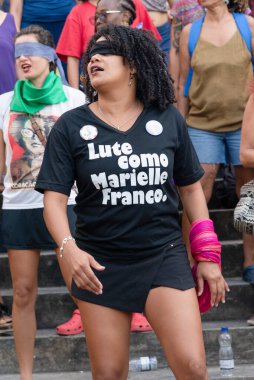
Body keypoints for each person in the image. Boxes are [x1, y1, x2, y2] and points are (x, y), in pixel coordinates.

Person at [36, 24, 228, 379]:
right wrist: (69, 248)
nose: (94, 56)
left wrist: (207, 254)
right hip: (101, 263)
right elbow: (54, 201)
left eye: (106, 51)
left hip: (163, 254)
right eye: (92, 52)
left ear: (134, 65)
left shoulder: (167, 118)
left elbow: (190, 190)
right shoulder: (70, 126)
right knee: (109, 373)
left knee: (194, 366)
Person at [0, 25, 85, 380]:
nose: (22, 57)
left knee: (82, 290)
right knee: (22, 292)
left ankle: (106, 365)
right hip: (18, 205)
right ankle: (26, 375)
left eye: (31, 49)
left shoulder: (75, 100)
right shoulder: (4, 103)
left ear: (51, 57)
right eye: (18, 51)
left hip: (65, 204)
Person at [178, 0, 254, 279]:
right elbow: (183, 82)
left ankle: (250, 261)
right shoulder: (190, 32)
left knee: (248, 190)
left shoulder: (248, 26)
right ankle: (189, 258)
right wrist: (180, 128)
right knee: (199, 183)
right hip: (201, 123)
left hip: (244, 123)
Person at [56, 0, 160, 89]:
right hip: (97, 87)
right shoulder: (78, 12)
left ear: (126, 16)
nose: (98, 20)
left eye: (104, 14)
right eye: (95, 17)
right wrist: (76, 95)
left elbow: (151, 46)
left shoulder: (133, 3)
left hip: (136, 87)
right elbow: (72, 57)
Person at [169, 0, 204, 103]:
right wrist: (174, 92)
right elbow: (175, 51)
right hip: (194, 87)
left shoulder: (233, 5)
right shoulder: (182, 5)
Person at [9, 0, 76, 44]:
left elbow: (81, 4)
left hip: (67, 28)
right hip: (31, 29)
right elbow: (15, 10)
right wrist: (17, 36)